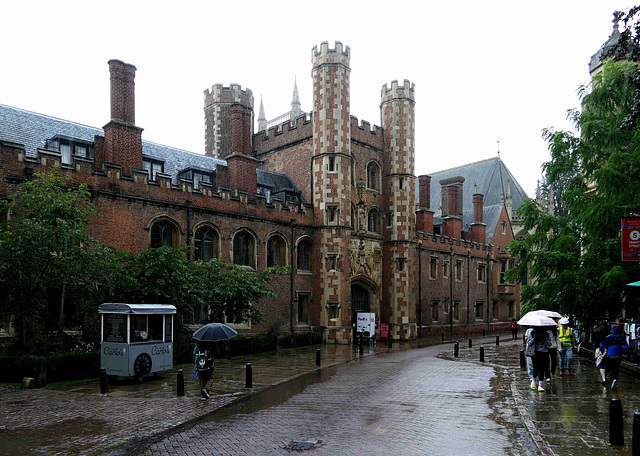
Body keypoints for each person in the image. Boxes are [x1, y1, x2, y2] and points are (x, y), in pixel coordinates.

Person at [600, 324, 629, 390]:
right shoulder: (621, 337)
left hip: (610, 355)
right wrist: (623, 352)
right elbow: (625, 347)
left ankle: (613, 379)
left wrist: (601, 350)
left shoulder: (608, 337)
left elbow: (602, 346)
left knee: (610, 368)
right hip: (618, 355)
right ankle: (615, 379)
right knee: (616, 368)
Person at [528, 326, 552, 392]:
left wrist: (545, 340)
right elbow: (529, 343)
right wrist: (534, 338)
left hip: (544, 352)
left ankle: (540, 385)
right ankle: (533, 381)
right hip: (535, 352)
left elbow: (550, 344)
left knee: (542, 369)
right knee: (535, 368)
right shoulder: (532, 333)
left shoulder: (547, 334)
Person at [593, 320, 610, 384]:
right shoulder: (609, 331)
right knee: (606, 364)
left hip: (599, 348)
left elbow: (593, 338)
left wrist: (594, 330)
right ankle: (605, 376)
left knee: (600, 364)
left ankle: (603, 378)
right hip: (607, 348)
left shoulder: (597, 332)